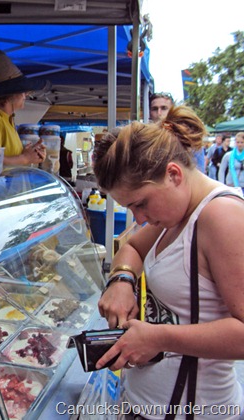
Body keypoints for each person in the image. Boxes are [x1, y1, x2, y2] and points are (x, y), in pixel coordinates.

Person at [93, 105, 244, 417]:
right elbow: (132, 247)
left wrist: (158, 337)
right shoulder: (178, 214)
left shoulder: (221, 216)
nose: (138, 217)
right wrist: (121, 280)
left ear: (173, 174)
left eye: (141, 203)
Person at [149, 91, 206, 173]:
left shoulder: (188, 136)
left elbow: (200, 171)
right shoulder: (146, 138)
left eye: (164, 108)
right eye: (155, 109)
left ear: (172, 110)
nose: (159, 113)